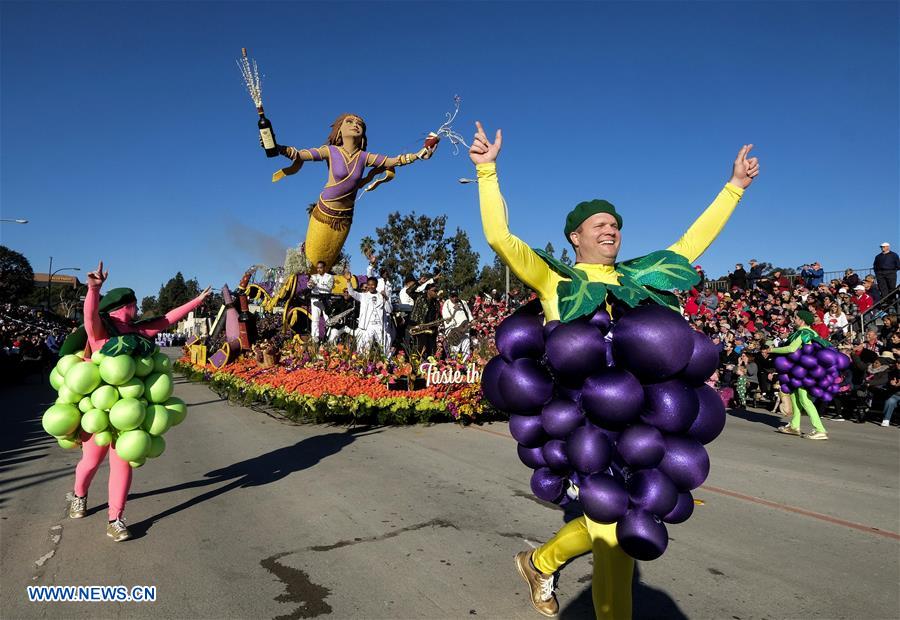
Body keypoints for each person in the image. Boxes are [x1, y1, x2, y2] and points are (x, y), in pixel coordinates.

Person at [470, 120, 758, 618]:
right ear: (575, 237)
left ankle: (539, 562)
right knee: (612, 532)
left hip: (643, 422)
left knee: (614, 522)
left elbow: (691, 244)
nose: (610, 229)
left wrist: (733, 188)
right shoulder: (555, 279)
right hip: (582, 426)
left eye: (615, 224)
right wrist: (487, 172)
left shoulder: (640, 278)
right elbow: (500, 237)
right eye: (598, 224)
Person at [64, 261, 210, 542]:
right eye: (133, 304)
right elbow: (89, 315)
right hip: (99, 408)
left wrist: (197, 301)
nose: (136, 308)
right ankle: (80, 496)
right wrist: (93, 290)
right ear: (123, 306)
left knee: (122, 464)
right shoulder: (100, 331)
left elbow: (168, 319)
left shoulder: (140, 332)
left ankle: (115, 519)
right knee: (91, 462)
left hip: (130, 412)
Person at [270, 113, 436, 269]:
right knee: (312, 262)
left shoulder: (364, 157)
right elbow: (299, 155)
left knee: (327, 263)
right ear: (339, 129)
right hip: (323, 214)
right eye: (349, 122)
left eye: (359, 124)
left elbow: (393, 161)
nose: (355, 125)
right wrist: (277, 147)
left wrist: (419, 155)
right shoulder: (330, 151)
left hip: (345, 220)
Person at [771, 311, 830, 440]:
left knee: (804, 399)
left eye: (796, 318)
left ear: (802, 321)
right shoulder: (810, 332)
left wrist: (772, 350)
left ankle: (820, 429)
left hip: (805, 370)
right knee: (795, 397)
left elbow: (791, 349)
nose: (794, 319)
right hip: (799, 369)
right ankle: (794, 426)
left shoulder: (805, 333)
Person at [346, 277, 392, 356]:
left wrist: (386, 298)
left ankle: (387, 363)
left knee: (384, 346)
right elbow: (351, 292)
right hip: (367, 326)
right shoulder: (363, 296)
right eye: (369, 285)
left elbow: (390, 310)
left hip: (379, 325)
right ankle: (362, 365)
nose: (371, 286)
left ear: (376, 285)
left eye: (373, 285)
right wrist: (348, 281)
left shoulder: (381, 296)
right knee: (365, 348)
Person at [441, 291, 473, 358]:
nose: (455, 298)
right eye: (452, 296)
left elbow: (468, 313)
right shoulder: (446, 304)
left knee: (466, 348)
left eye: (456, 296)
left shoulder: (463, 302)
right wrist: (454, 310)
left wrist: (472, 320)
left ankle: (466, 364)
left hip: (465, 328)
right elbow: (447, 320)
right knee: (455, 350)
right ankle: (454, 365)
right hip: (455, 331)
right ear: (449, 297)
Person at [308, 261, 334, 343]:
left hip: (326, 301)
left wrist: (317, 284)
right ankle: (315, 338)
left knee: (328, 319)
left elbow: (329, 287)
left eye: (321, 267)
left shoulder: (330, 277)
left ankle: (330, 337)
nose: (319, 269)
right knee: (315, 319)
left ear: (324, 268)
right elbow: (309, 286)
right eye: (318, 268)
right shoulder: (313, 276)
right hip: (316, 300)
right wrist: (310, 284)